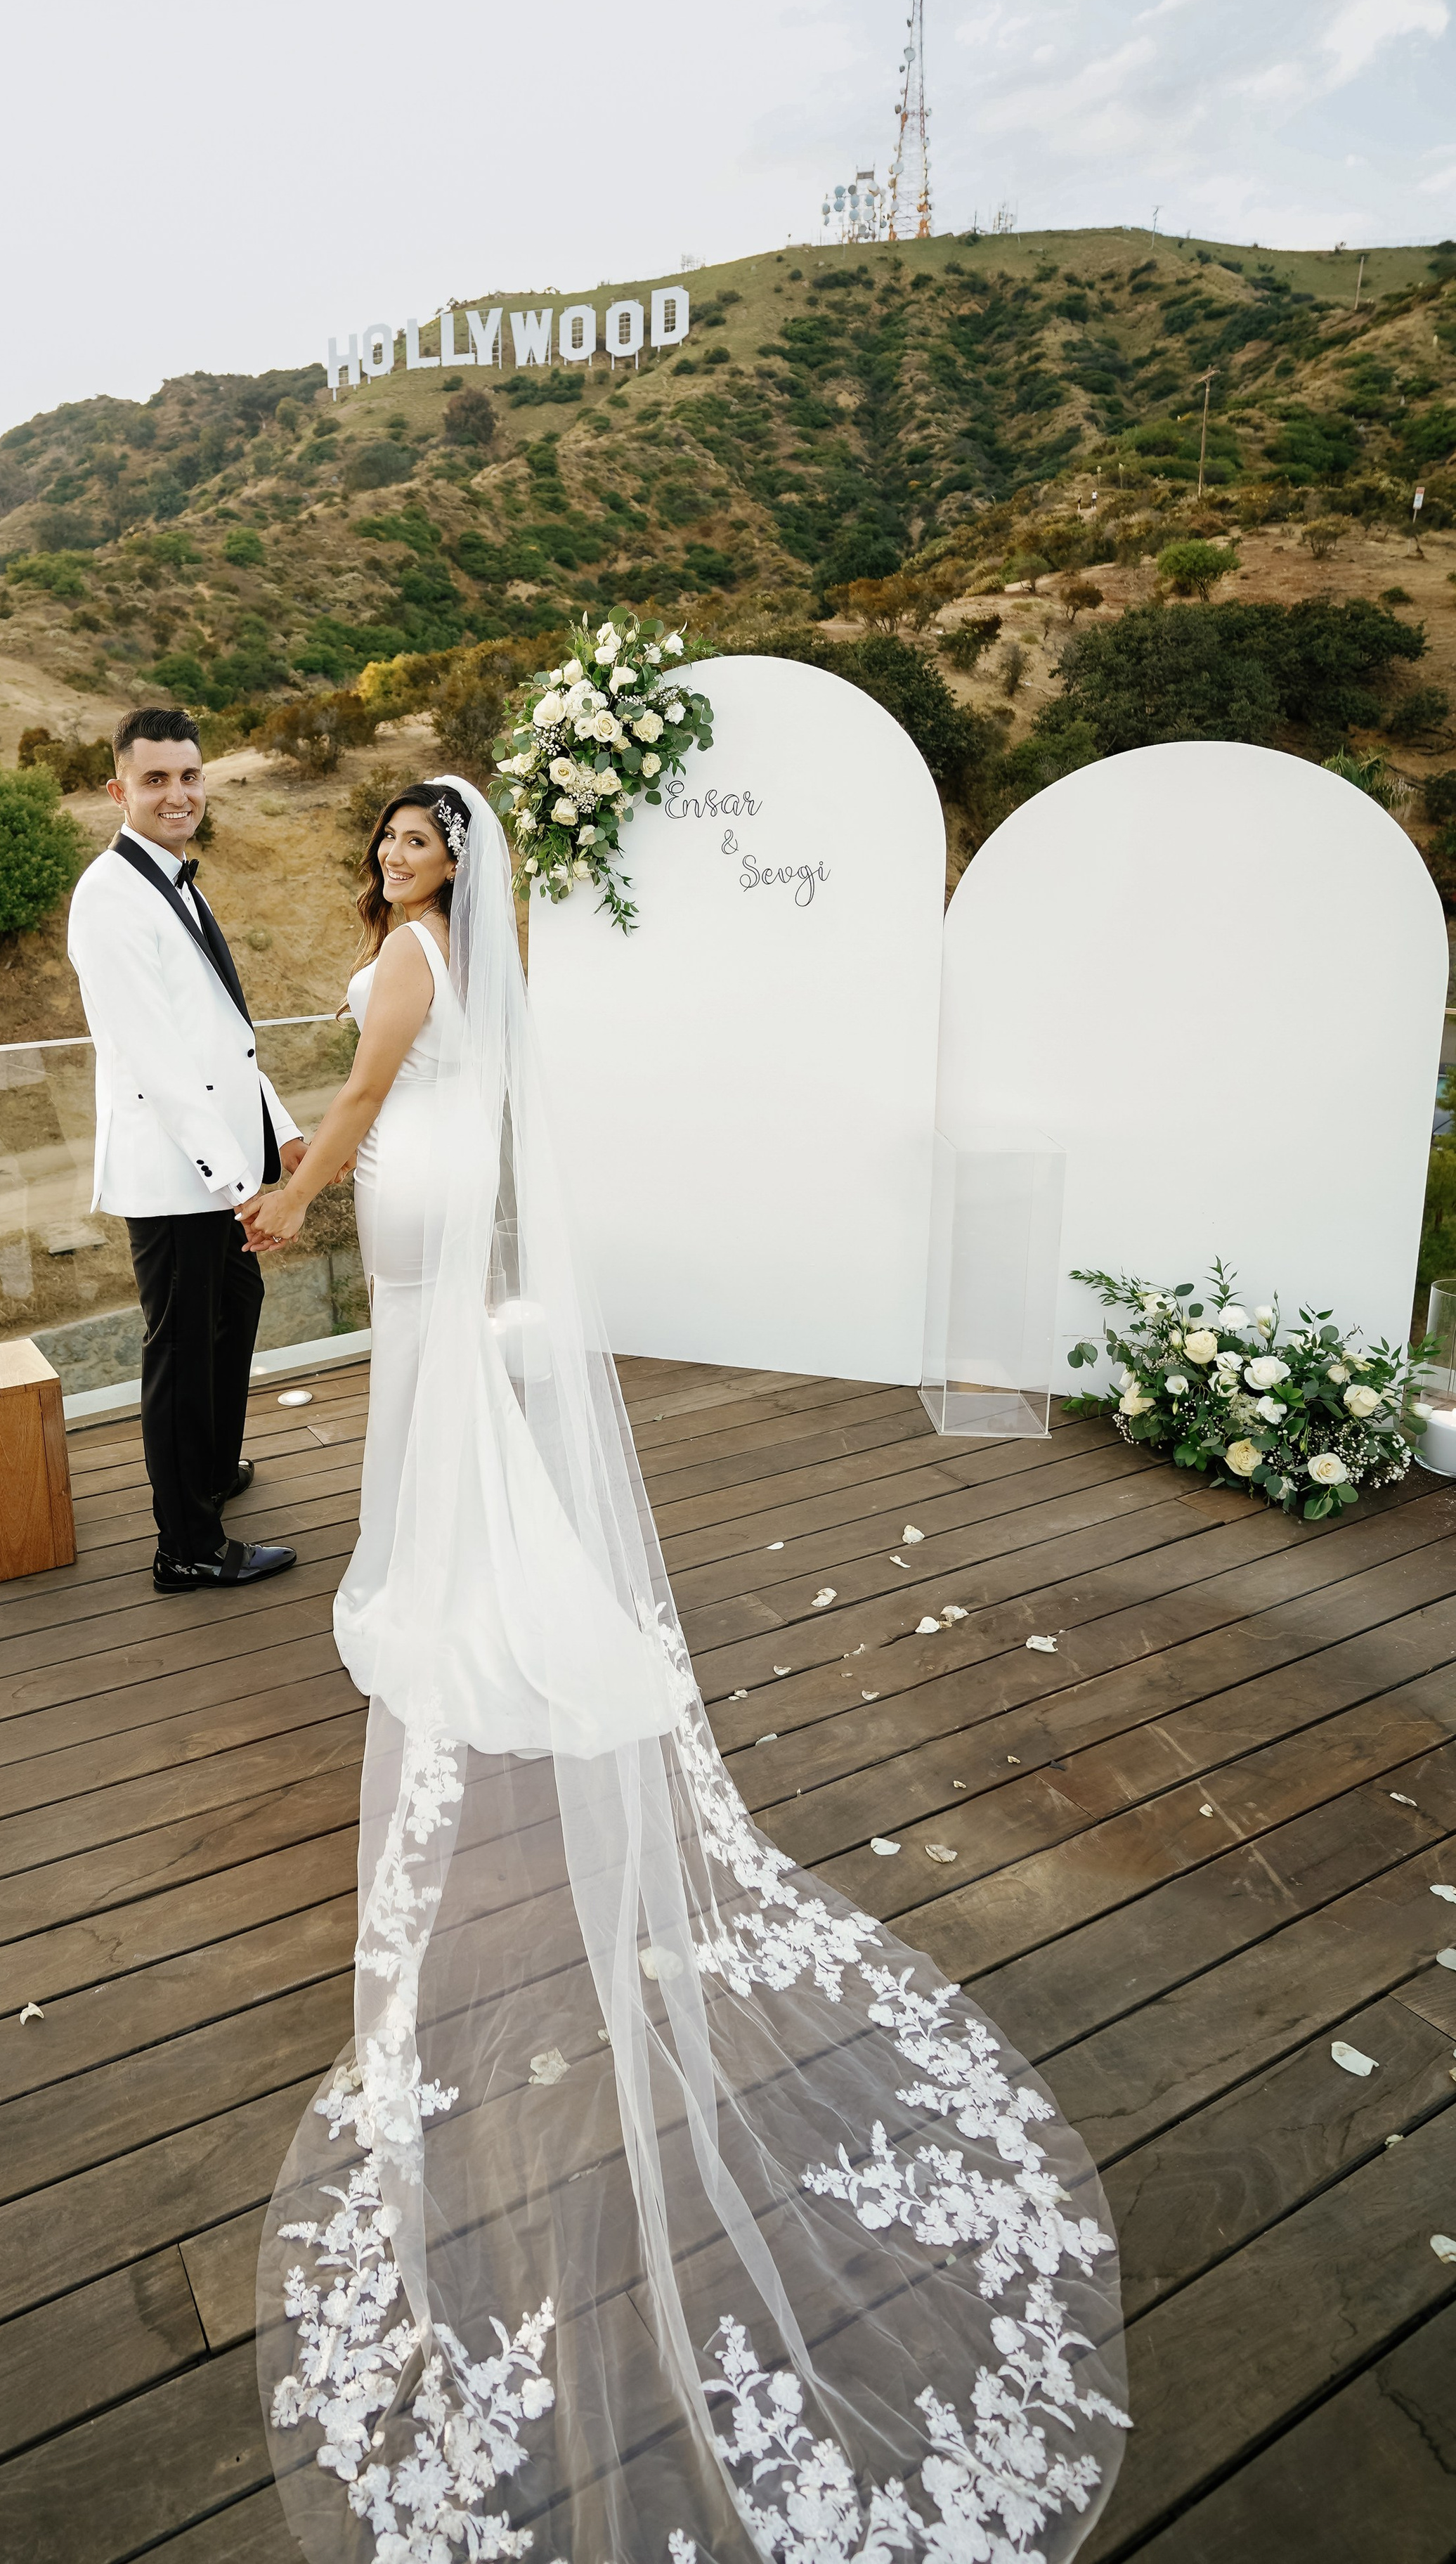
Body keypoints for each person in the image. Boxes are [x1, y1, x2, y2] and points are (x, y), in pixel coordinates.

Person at [245, 776, 1129, 2562]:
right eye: (392, 836)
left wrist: (287, 1192)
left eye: (424, 838)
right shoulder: (449, 959)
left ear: (452, 868)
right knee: (429, 1388)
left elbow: (357, 1091)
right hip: (427, 1191)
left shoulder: (409, 959)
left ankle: (445, 1570)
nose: (398, 855)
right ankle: (437, 1553)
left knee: (422, 1375)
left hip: (396, 1192)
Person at [66, 705, 305, 1593]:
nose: (178, 792)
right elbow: (158, 1062)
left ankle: (208, 1470)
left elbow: (221, 1036)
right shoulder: (109, 895)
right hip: (176, 1177)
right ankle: (187, 1545)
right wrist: (245, 1185)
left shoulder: (175, 879)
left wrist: (279, 1124)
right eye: (156, 778)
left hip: (221, 1160)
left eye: (190, 775)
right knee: (180, 1349)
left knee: (232, 1312)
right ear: (118, 788)